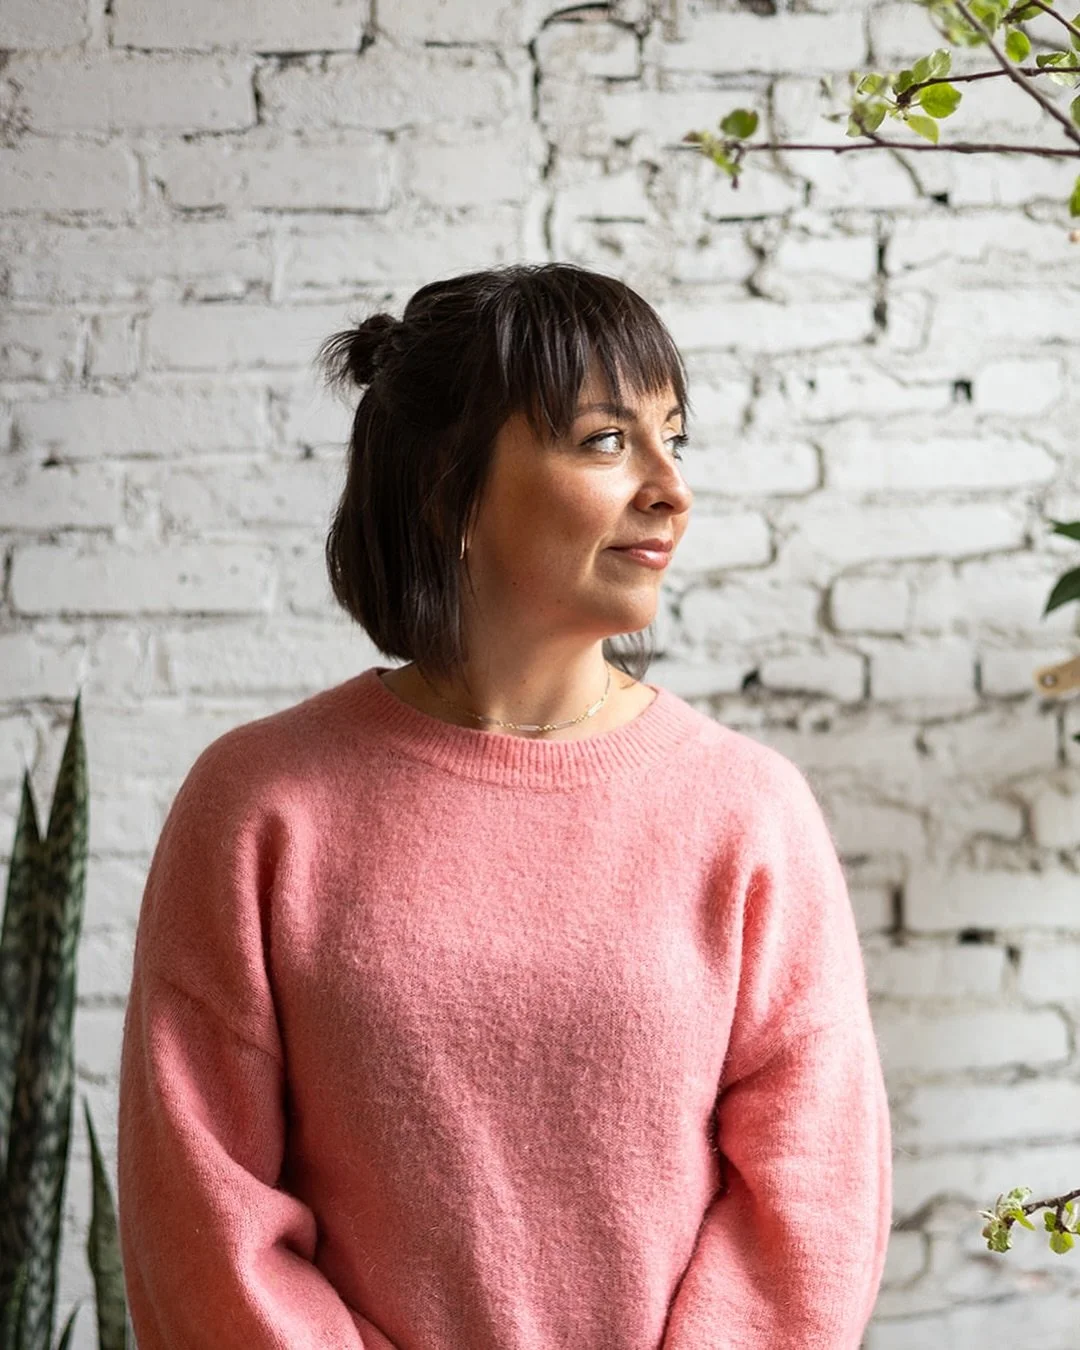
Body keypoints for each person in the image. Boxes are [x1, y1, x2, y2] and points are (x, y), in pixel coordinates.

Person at [116, 262, 893, 1349]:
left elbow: (810, 1208)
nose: (671, 487)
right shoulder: (259, 807)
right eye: (606, 441)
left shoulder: (749, 814)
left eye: (678, 436)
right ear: (448, 487)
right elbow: (203, 1221)